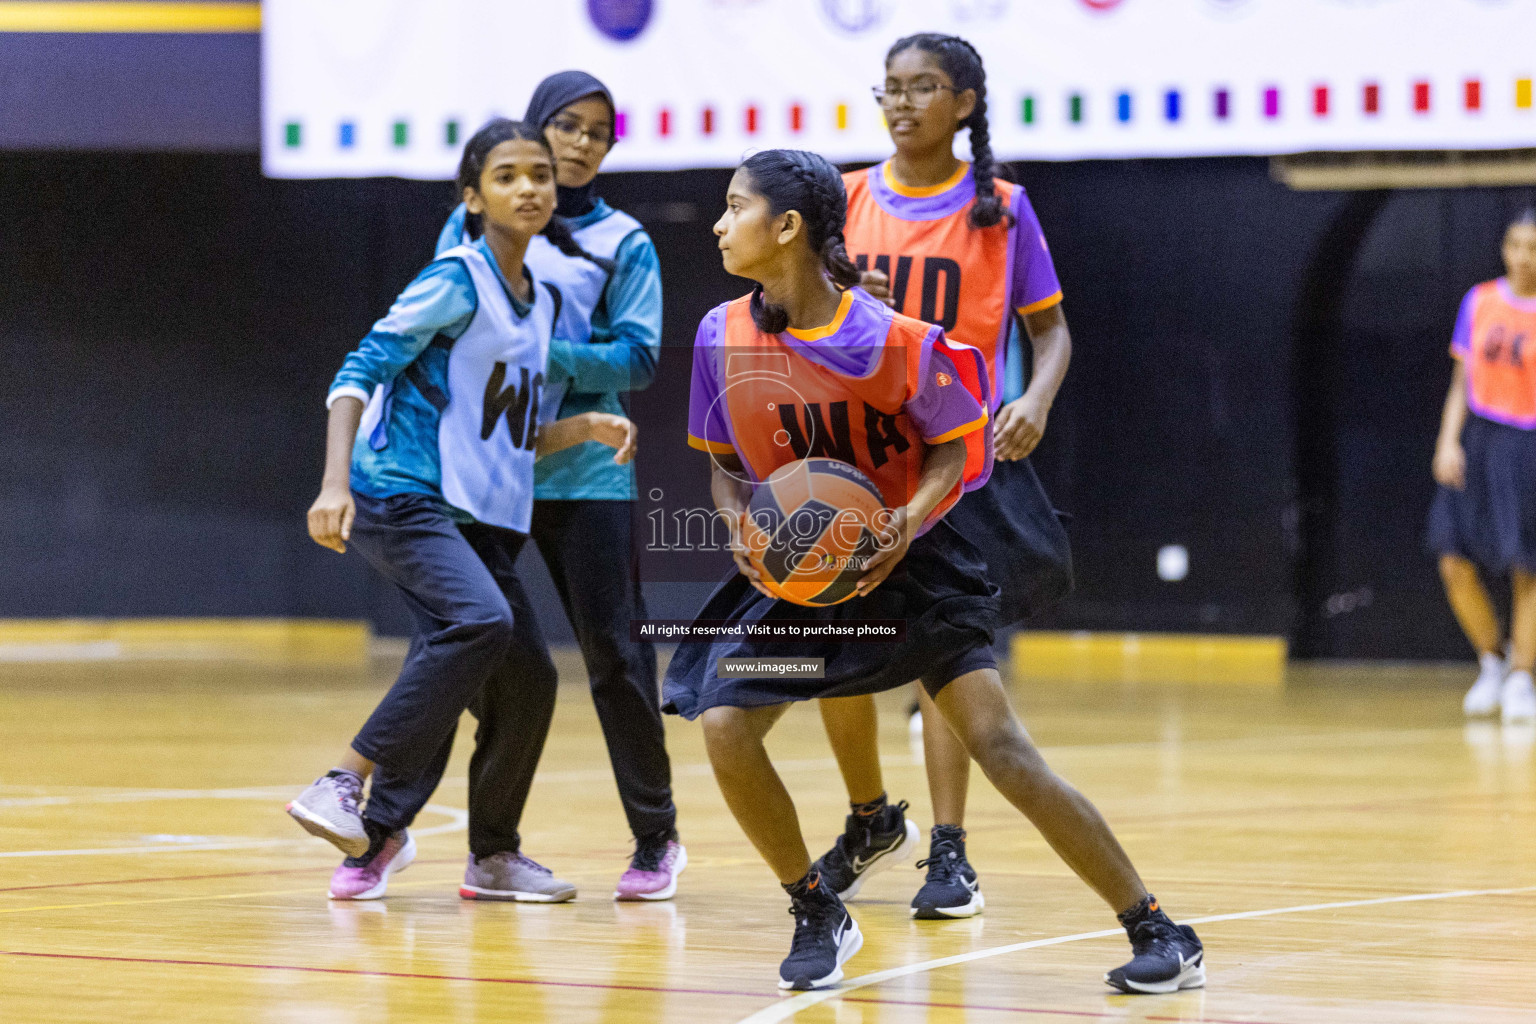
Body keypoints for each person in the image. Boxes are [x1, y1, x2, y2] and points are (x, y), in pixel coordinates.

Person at [665, 148, 1205, 995]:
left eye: (735, 207)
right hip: (805, 572)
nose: (720, 224)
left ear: (788, 228)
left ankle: (1159, 929)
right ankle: (816, 910)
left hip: (912, 568)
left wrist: (907, 518)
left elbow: (957, 450)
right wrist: (737, 520)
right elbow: (726, 465)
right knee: (724, 722)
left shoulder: (899, 342)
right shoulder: (719, 335)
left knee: (1002, 748)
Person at [285, 118, 638, 904]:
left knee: (528, 682)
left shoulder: (539, 300)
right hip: (398, 490)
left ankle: (482, 856)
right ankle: (344, 781)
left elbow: (502, 430)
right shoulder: (455, 277)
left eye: (540, 174)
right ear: (472, 197)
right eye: (507, 176)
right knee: (480, 623)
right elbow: (357, 371)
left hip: (472, 512)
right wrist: (334, 483)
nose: (530, 188)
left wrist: (579, 428)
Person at [390, 71, 684, 901]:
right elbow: (437, 331)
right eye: (566, 126)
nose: (581, 143)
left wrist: (530, 347)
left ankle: (656, 839)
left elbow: (638, 358)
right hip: (489, 468)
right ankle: (384, 832)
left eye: (598, 132)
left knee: (617, 656)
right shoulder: (472, 223)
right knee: (457, 649)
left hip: (585, 471)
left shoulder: (624, 240)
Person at [811, 31, 1075, 921]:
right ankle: (868, 818)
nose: (901, 102)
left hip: (956, 465)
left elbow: (1051, 334)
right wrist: (855, 307)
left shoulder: (1000, 206)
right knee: (831, 649)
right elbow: (799, 322)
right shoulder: (841, 199)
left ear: (963, 102)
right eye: (890, 87)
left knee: (941, 658)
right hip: (856, 458)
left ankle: (950, 853)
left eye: (923, 87)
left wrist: (1033, 400)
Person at [1428, 207, 1536, 724]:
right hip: (1479, 436)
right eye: (1515, 245)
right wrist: (1449, 441)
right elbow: (1460, 381)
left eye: (1532, 247)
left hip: (1528, 440)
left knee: (1527, 566)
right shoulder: (1481, 300)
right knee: (1452, 557)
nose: (1522, 257)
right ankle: (1491, 661)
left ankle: (1522, 676)